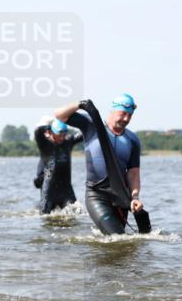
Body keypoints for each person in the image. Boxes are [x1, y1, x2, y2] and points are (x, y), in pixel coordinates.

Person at [54, 94, 144, 234]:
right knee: (117, 236)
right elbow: (59, 115)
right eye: (123, 114)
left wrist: (135, 197)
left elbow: (133, 173)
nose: (126, 119)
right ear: (113, 110)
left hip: (121, 198)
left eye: (130, 115)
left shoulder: (132, 140)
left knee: (119, 244)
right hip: (96, 195)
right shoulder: (91, 125)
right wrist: (80, 104)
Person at [33, 119, 84, 213]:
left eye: (64, 134)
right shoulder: (45, 145)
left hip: (66, 190)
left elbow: (84, 133)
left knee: (76, 213)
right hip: (49, 191)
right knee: (45, 217)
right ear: (50, 132)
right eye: (59, 134)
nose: (62, 137)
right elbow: (38, 132)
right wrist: (48, 127)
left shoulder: (68, 142)